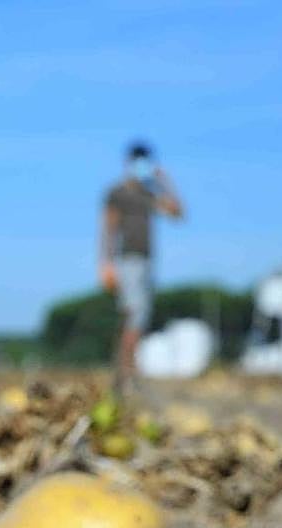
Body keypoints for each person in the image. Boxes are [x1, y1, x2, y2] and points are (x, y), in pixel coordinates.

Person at [99, 141, 185, 396]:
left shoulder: (149, 194)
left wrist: (164, 182)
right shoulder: (117, 192)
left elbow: (177, 213)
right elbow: (108, 228)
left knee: (138, 318)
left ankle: (125, 373)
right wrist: (106, 263)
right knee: (133, 315)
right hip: (128, 261)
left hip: (147, 261)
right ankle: (127, 374)